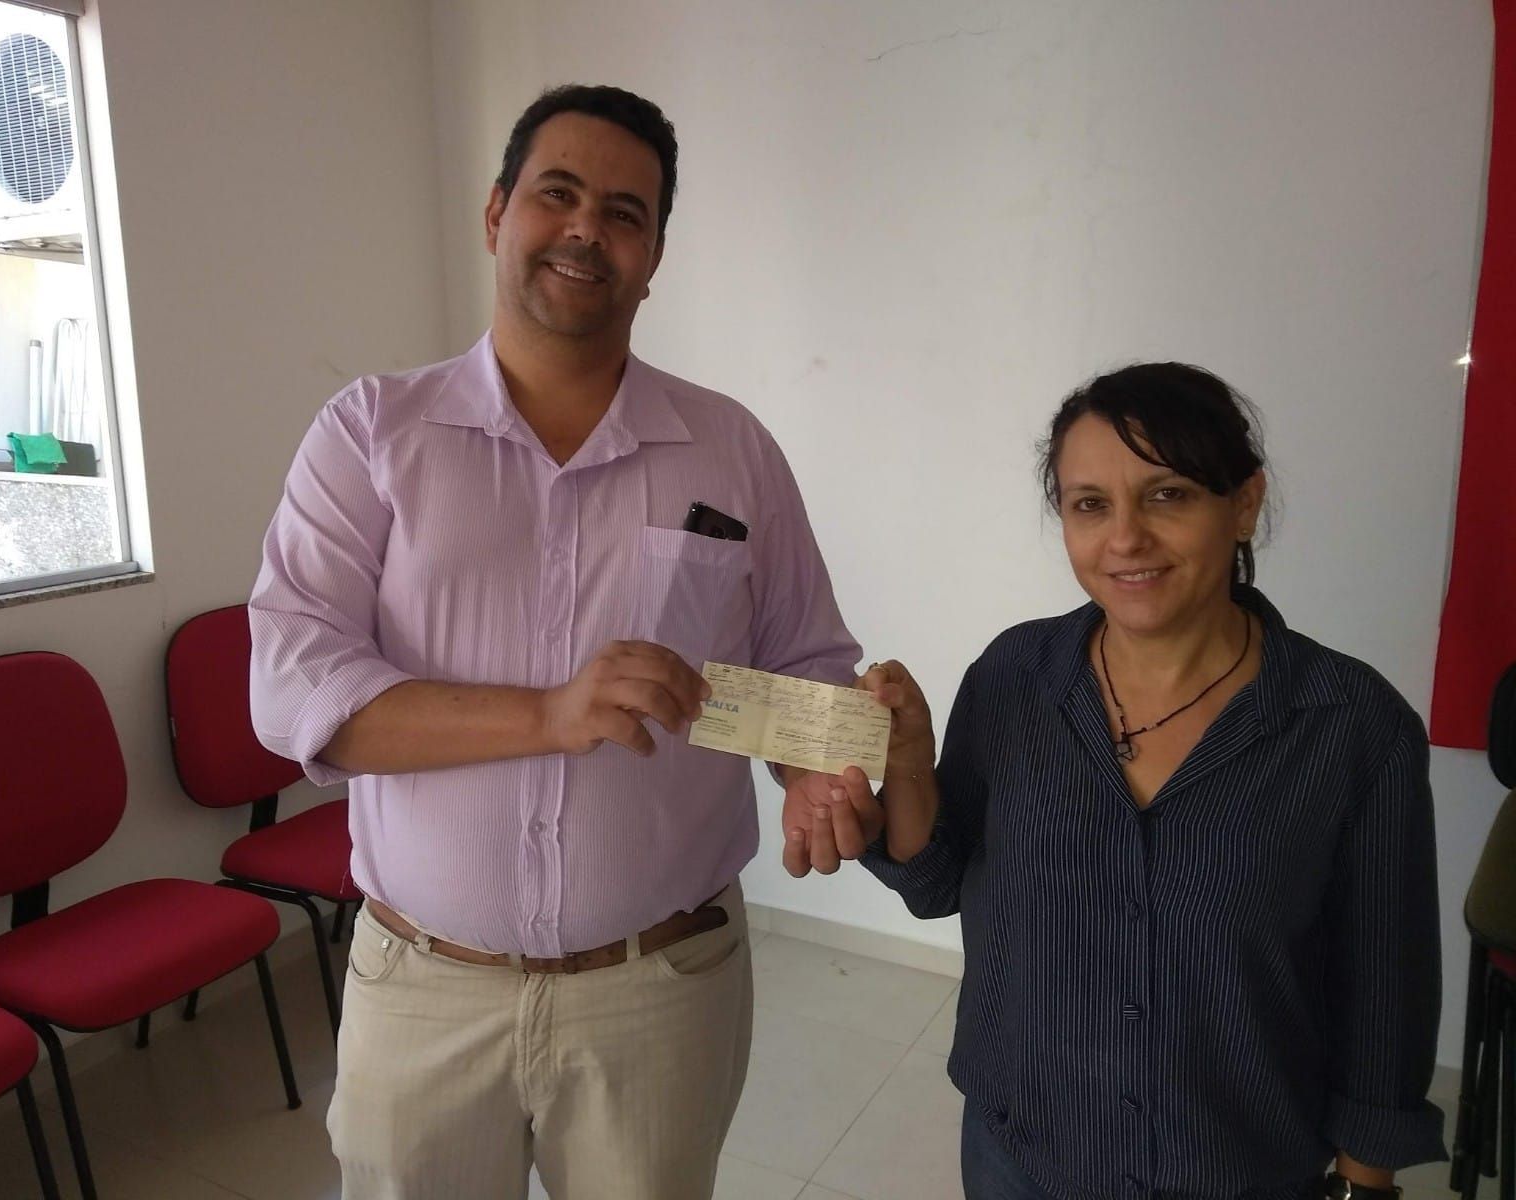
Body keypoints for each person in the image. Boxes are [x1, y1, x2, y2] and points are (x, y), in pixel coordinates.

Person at [248, 84, 860, 1200]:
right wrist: (547, 714)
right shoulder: (372, 434)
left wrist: (826, 763)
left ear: (653, 257)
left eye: (625, 214)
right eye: (557, 194)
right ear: (497, 214)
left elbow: (802, 666)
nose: (586, 229)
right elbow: (295, 688)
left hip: (660, 988)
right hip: (422, 987)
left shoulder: (731, 451)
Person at [793, 363, 1446, 1199]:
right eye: (1090, 504)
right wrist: (911, 771)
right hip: (1022, 1155)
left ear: (1244, 504)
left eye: (1168, 495)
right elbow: (935, 882)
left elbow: (1386, 990)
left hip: (1240, 1169)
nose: (1126, 538)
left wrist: (1362, 1185)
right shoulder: (1014, 678)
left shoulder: (1353, 728)